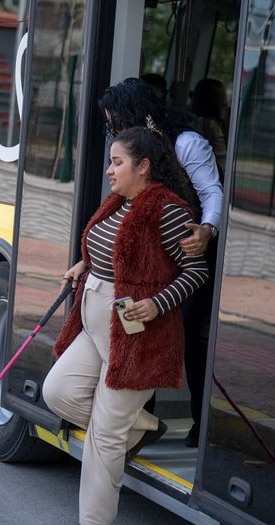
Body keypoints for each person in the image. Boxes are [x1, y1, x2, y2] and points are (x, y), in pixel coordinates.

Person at [42, 124, 209, 525]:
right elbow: (109, 250)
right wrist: (85, 265)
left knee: (104, 432)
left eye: (117, 162)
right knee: (56, 391)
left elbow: (197, 272)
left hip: (137, 338)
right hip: (97, 325)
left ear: (144, 166)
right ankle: (145, 426)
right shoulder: (120, 201)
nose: (109, 171)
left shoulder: (169, 211)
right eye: (111, 162)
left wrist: (157, 303)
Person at [98, 77, 223, 448]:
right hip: (149, 252)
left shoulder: (186, 143)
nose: (114, 131)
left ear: (137, 114)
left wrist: (207, 229)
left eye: (117, 121)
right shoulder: (133, 153)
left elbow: (212, 192)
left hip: (189, 248)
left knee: (188, 335)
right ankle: (142, 424)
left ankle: (202, 426)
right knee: (141, 328)